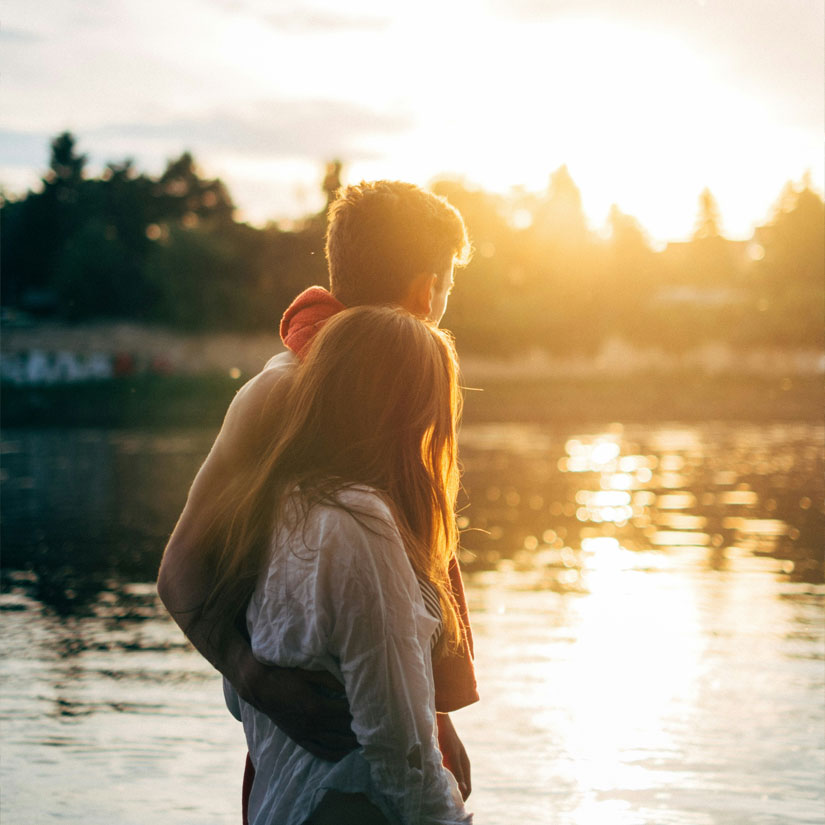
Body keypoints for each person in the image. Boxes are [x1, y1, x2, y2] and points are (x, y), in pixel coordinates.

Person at [157, 181, 478, 811]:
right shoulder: (282, 393)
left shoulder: (387, 391)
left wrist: (438, 718)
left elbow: (389, 601)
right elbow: (179, 572)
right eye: (445, 286)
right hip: (312, 760)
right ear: (426, 289)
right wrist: (254, 680)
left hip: (374, 734)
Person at [208, 305, 472, 824]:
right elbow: (401, 749)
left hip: (282, 805)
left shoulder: (274, 503)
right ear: (403, 412)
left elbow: (241, 701)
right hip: (353, 806)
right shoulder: (362, 522)